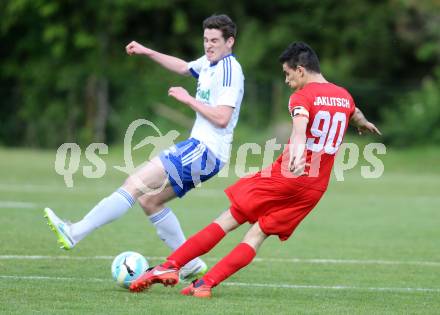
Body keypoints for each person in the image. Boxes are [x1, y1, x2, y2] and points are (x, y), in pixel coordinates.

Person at [128, 42, 381, 297]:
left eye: (288, 74)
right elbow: (354, 112)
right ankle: (205, 284)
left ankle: (167, 266)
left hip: (287, 175)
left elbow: (299, 128)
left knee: (227, 220)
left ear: (301, 70)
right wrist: (364, 122)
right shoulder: (344, 96)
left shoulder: (302, 97)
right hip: (314, 188)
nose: (286, 80)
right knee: (257, 235)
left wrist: (297, 153)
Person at [44, 14, 244, 281]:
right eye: (206, 40)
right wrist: (148, 51)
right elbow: (184, 67)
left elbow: (222, 118)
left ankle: (75, 232)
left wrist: (188, 100)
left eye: (215, 41)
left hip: (205, 150)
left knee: (135, 183)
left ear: (229, 41)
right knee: (150, 200)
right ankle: (190, 263)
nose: (208, 46)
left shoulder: (230, 70)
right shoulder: (209, 63)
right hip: (203, 151)